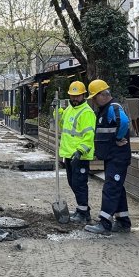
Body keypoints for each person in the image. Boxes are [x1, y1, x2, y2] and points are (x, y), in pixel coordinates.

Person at [84, 79, 132, 236]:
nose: (93, 101)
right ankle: (123, 222)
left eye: (94, 97)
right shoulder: (106, 109)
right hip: (112, 156)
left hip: (117, 157)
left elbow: (124, 122)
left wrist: (118, 138)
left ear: (103, 95)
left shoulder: (113, 107)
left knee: (110, 188)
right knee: (117, 187)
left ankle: (105, 224)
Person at [56, 81, 96, 224]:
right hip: (68, 154)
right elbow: (60, 125)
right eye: (72, 96)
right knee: (73, 183)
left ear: (83, 95)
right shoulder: (69, 110)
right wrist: (57, 110)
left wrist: (80, 152)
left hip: (80, 155)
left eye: (77, 96)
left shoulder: (86, 112)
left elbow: (89, 136)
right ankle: (83, 210)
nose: (75, 99)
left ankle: (83, 212)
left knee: (79, 184)